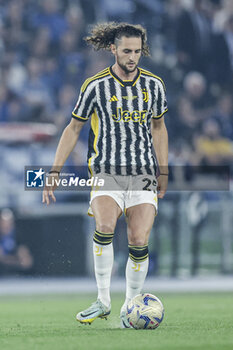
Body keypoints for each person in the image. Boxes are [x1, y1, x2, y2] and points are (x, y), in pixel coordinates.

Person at [42, 22, 169, 328]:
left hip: (142, 173)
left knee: (139, 240)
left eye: (137, 51)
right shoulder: (95, 85)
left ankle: (130, 306)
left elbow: (159, 128)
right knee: (106, 225)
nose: (132, 57)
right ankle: (102, 300)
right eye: (126, 51)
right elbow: (73, 128)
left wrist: (163, 169)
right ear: (113, 49)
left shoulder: (154, 85)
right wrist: (55, 171)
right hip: (105, 170)